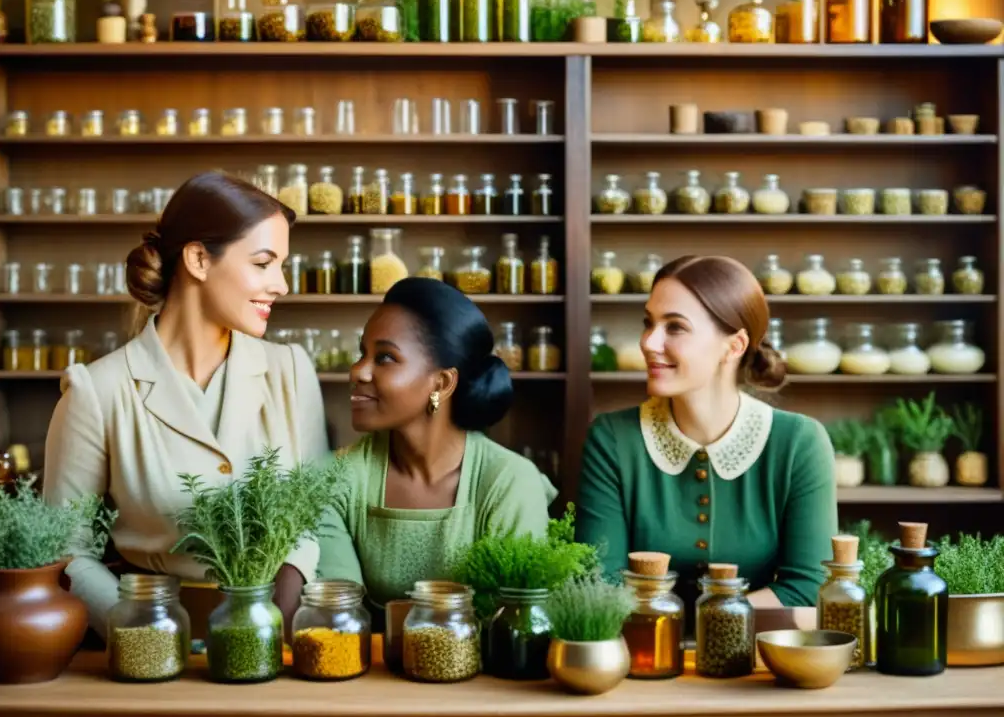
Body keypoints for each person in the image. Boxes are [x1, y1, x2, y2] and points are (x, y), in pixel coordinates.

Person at [43, 171, 328, 638]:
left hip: (276, 635)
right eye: (263, 263)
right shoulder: (98, 391)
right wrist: (147, 632)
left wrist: (274, 618)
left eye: (283, 266)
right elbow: (67, 552)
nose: (281, 285)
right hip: (150, 647)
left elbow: (315, 518)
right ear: (198, 258)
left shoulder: (291, 372)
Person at [577, 254, 837, 613]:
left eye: (675, 327)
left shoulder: (799, 443)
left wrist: (705, 624)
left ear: (734, 346)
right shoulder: (612, 439)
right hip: (638, 661)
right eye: (648, 323)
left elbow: (809, 588)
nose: (649, 343)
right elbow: (599, 585)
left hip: (753, 663)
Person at [314, 277, 555, 616]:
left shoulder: (509, 482)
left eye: (384, 357)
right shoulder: (331, 479)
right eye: (361, 353)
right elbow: (339, 619)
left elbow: (514, 623)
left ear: (441, 383)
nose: (357, 372)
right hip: (364, 667)